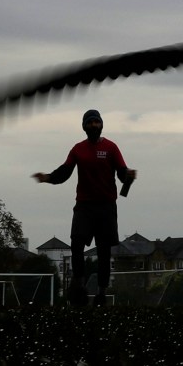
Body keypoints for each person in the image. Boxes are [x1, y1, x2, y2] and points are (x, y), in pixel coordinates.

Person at [31, 109, 136, 305]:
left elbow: (122, 174)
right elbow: (65, 172)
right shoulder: (78, 149)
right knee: (76, 244)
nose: (94, 125)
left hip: (106, 206)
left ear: (101, 125)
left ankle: (102, 294)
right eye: (90, 123)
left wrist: (128, 176)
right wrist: (47, 178)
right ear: (84, 127)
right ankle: (79, 286)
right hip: (84, 206)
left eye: (96, 122)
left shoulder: (111, 148)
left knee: (104, 251)